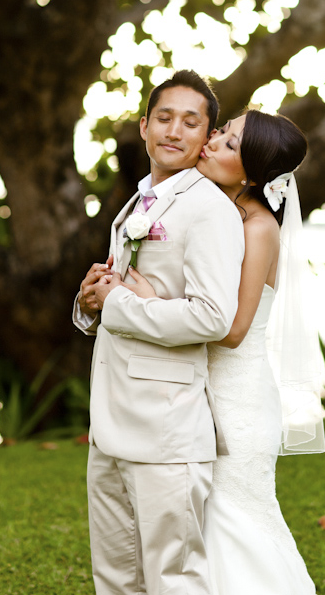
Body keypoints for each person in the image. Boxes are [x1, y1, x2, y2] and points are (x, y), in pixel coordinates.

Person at [124, 109, 325, 595]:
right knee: (197, 526)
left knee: (237, 525)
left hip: (238, 401)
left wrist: (150, 302)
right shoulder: (212, 213)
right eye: (221, 132)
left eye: (230, 144)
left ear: (254, 174)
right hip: (198, 389)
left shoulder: (259, 228)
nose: (211, 143)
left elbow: (233, 330)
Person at [73, 69, 245, 595]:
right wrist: (89, 304)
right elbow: (119, 293)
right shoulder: (137, 202)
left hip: (166, 428)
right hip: (111, 420)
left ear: (206, 137)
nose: (175, 131)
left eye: (191, 123)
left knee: (173, 579)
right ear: (145, 127)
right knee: (115, 577)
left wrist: (118, 303)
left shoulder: (211, 210)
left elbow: (212, 317)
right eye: (164, 118)